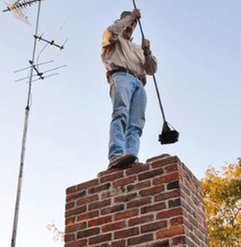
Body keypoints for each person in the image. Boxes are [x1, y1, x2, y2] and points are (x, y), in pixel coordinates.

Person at [101, 9, 157, 169]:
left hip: (139, 83)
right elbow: (111, 32)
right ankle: (116, 155)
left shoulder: (137, 48)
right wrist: (131, 17)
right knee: (120, 113)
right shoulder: (112, 39)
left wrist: (147, 52)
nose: (131, 26)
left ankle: (131, 157)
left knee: (136, 124)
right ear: (122, 21)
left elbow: (151, 70)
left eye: (133, 24)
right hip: (121, 76)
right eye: (128, 22)